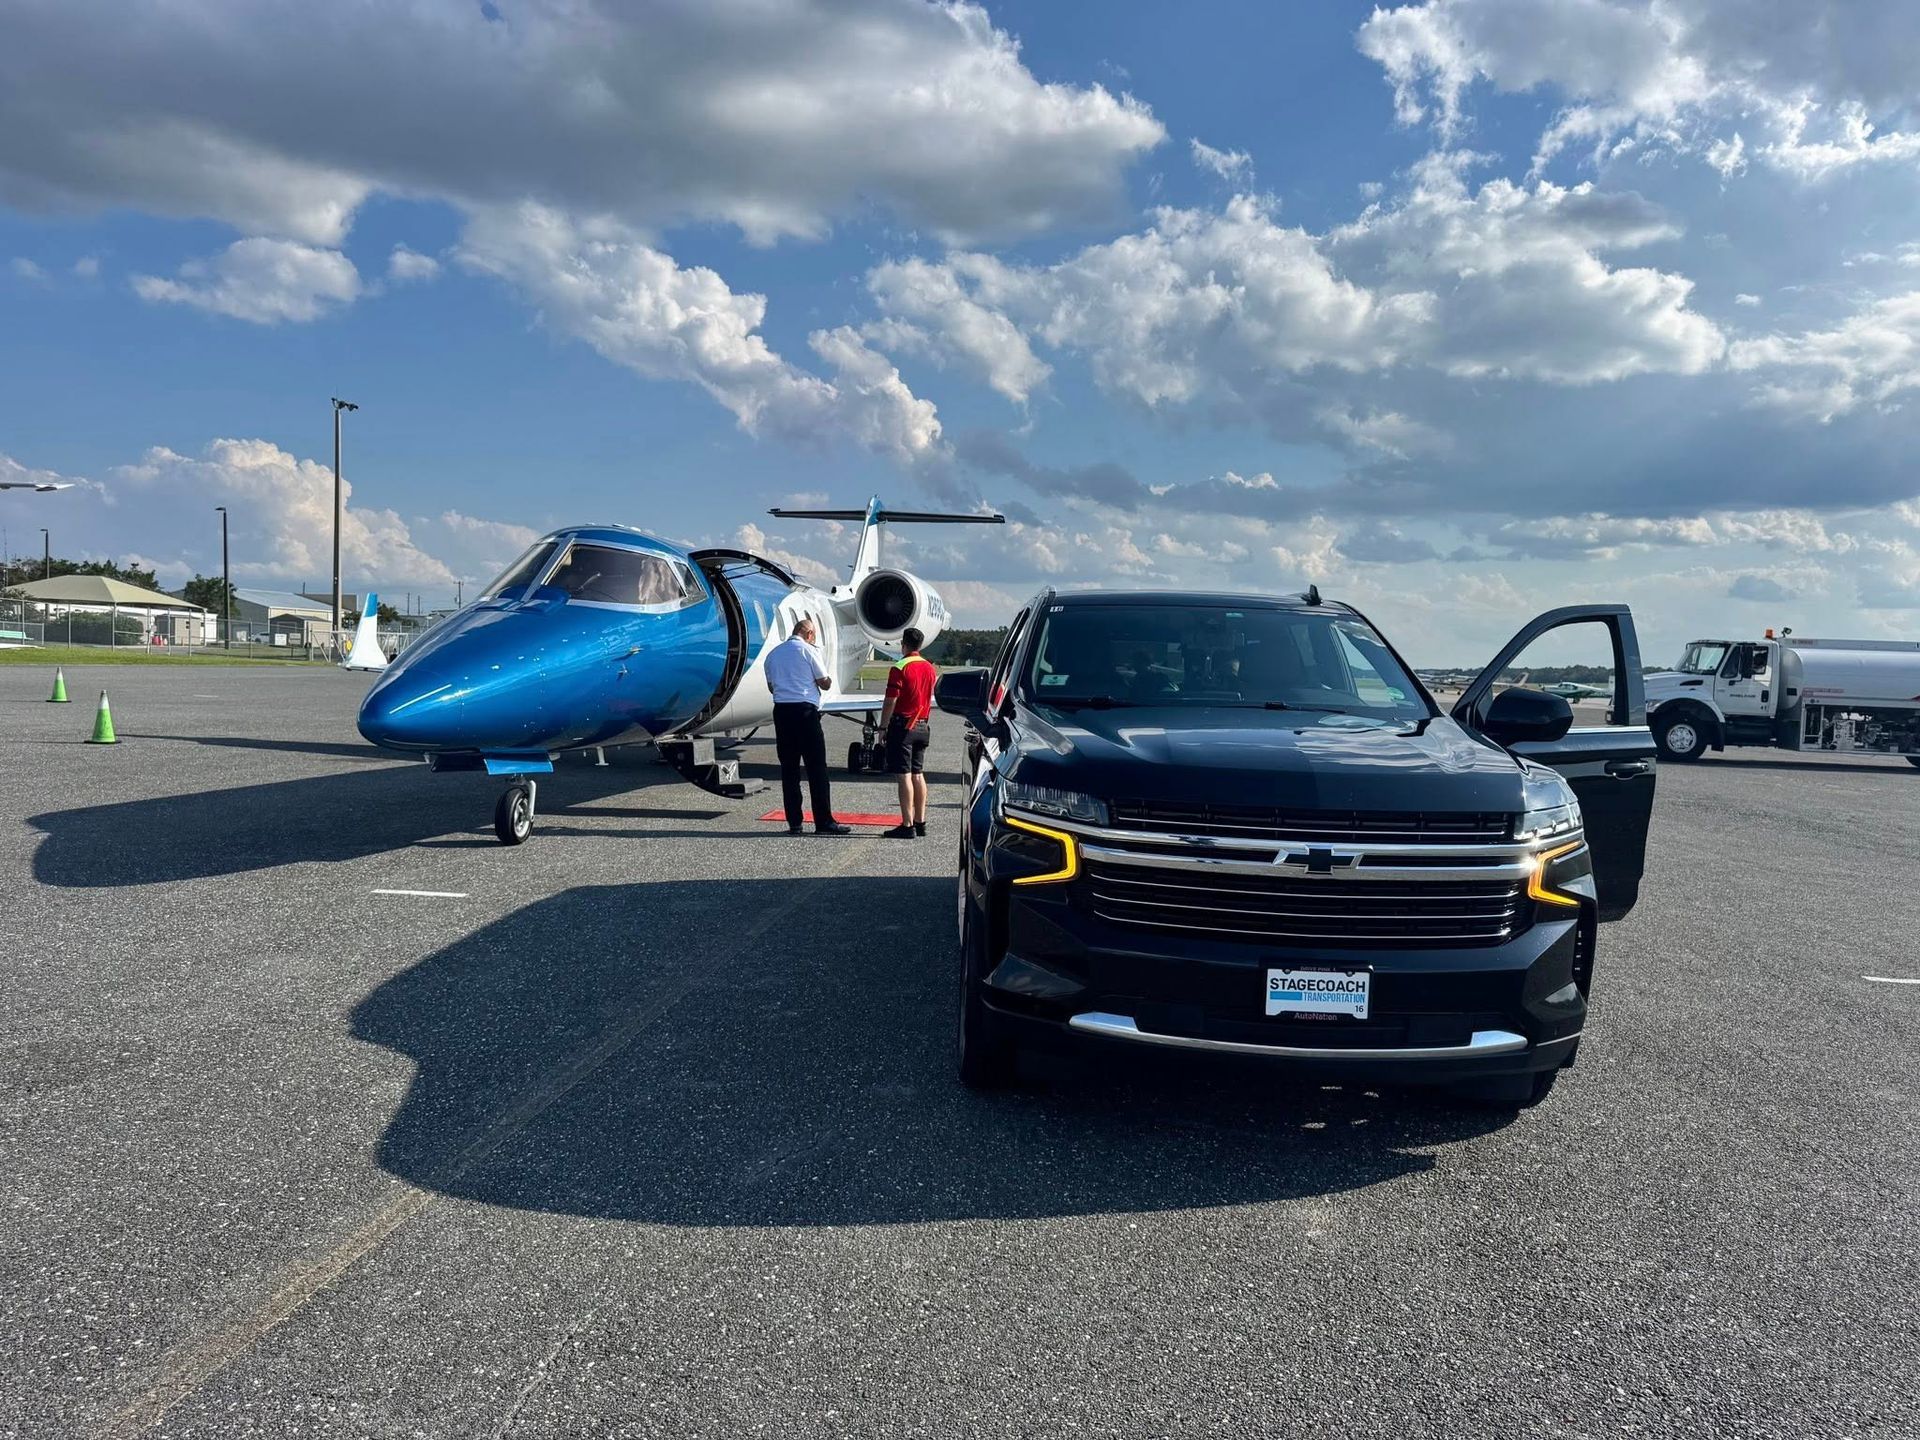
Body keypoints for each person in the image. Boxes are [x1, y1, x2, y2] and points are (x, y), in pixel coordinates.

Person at [765, 614, 850, 835]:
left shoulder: (773, 655)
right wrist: (822, 680)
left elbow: (772, 687)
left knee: (789, 770)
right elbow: (825, 682)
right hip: (805, 712)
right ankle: (824, 822)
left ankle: (795, 822)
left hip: (782, 713)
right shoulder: (810, 651)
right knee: (816, 769)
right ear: (809, 634)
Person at [879, 626, 936, 839]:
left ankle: (907, 824)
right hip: (922, 724)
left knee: (903, 776)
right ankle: (921, 822)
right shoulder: (929, 667)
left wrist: (883, 727)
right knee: (918, 774)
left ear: (903, 644)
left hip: (903, 726)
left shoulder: (900, 667)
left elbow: (891, 699)